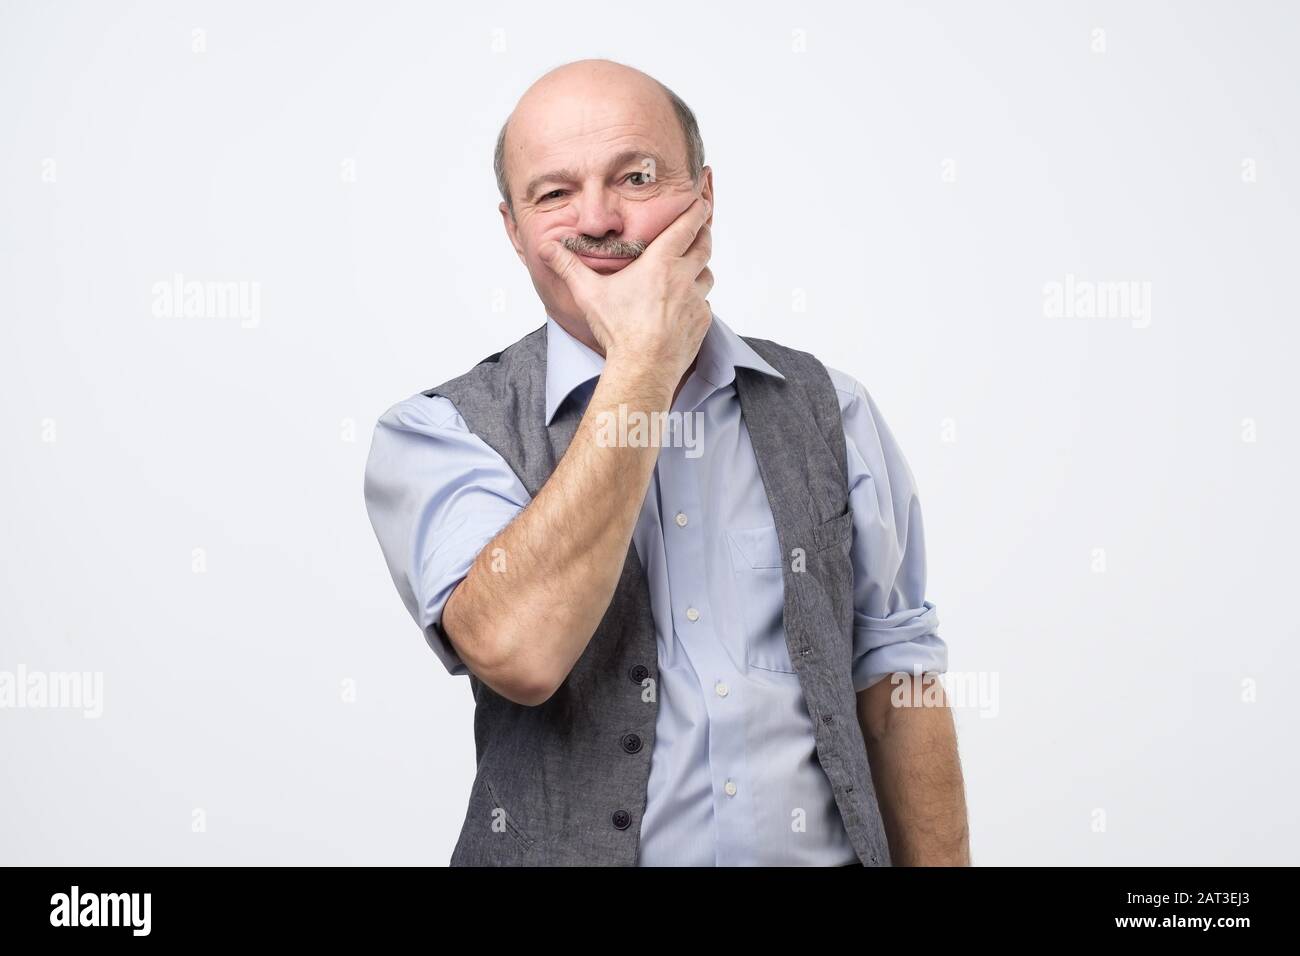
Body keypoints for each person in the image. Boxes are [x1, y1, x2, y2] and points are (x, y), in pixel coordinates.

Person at [364, 58, 969, 866]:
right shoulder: (439, 432)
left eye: (636, 176)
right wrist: (643, 365)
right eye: (554, 194)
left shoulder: (833, 409)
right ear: (514, 232)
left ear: (704, 196)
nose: (600, 218)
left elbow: (900, 687)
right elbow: (520, 653)